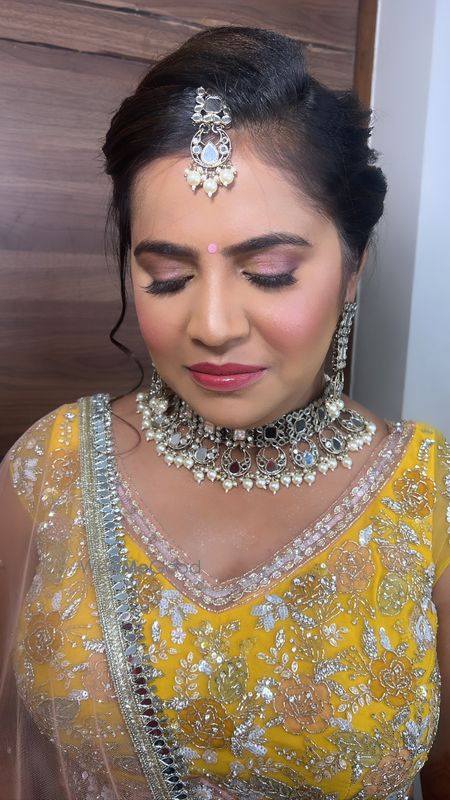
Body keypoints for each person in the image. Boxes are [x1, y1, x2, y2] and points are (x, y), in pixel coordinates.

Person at [0, 25, 449, 800]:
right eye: (167, 278)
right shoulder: (50, 468)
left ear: (353, 270)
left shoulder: (430, 497)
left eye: (269, 272)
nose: (211, 325)